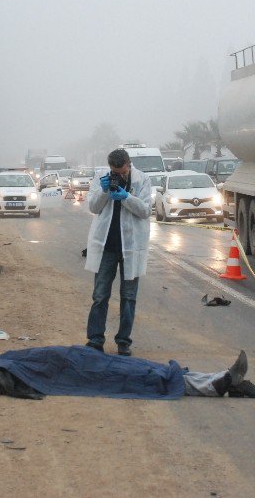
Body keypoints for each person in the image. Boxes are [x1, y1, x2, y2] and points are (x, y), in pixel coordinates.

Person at [0, 345, 255, 400]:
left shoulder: (7, 358)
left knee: (148, 367)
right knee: (144, 376)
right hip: (77, 373)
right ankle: (220, 384)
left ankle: (222, 380)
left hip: (75, 359)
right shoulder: (1, 375)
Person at [85, 148, 153, 356]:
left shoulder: (142, 180)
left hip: (131, 248)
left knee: (129, 297)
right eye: (115, 172)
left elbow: (145, 211)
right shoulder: (101, 178)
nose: (119, 175)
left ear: (128, 164)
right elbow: (93, 207)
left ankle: (124, 341)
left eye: (122, 172)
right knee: (100, 295)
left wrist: (125, 197)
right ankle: (95, 340)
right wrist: (104, 191)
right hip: (106, 246)